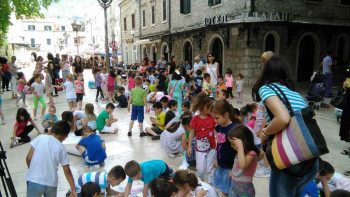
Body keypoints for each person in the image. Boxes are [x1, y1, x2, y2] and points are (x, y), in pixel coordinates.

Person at [252, 55, 319, 196]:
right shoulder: (295, 94)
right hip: (310, 159)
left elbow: (283, 118)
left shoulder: (267, 88)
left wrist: (264, 133)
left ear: (266, 71)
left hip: (290, 158)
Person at [25, 121, 77, 197]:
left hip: (35, 180)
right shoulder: (62, 148)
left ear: (50, 131)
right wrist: (73, 189)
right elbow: (67, 170)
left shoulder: (40, 138)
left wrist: (32, 170)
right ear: (65, 137)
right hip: (51, 183)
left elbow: (29, 158)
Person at [211, 100, 239, 197]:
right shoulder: (219, 127)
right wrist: (216, 159)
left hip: (230, 168)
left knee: (226, 192)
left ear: (226, 115)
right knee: (224, 189)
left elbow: (238, 152)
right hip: (221, 164)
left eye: (217, 118)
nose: (215, 121)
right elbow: (219, 145)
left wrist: (235, 169)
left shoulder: (233, 130)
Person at [187, 93, 216, 184]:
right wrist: (189, 147)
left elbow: (217, 130)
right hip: (199, 149)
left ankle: (210, 186)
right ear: (205, 108)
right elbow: (192, 132)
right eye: (211, 108)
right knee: (200, 169)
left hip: (212, 148)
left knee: (210, 168)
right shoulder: (195, 119)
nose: (213, 110)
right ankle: (200, 183)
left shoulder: (213, 118)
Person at [228, 125, 259, 197]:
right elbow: (237, 166)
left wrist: (240, 148)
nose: (231, 146)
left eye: (233, 144)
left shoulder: (251, 154)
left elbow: (242, 165)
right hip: (234, 186)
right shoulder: (240, 153)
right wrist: (233, 173)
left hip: (245, 189)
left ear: (243, 142)